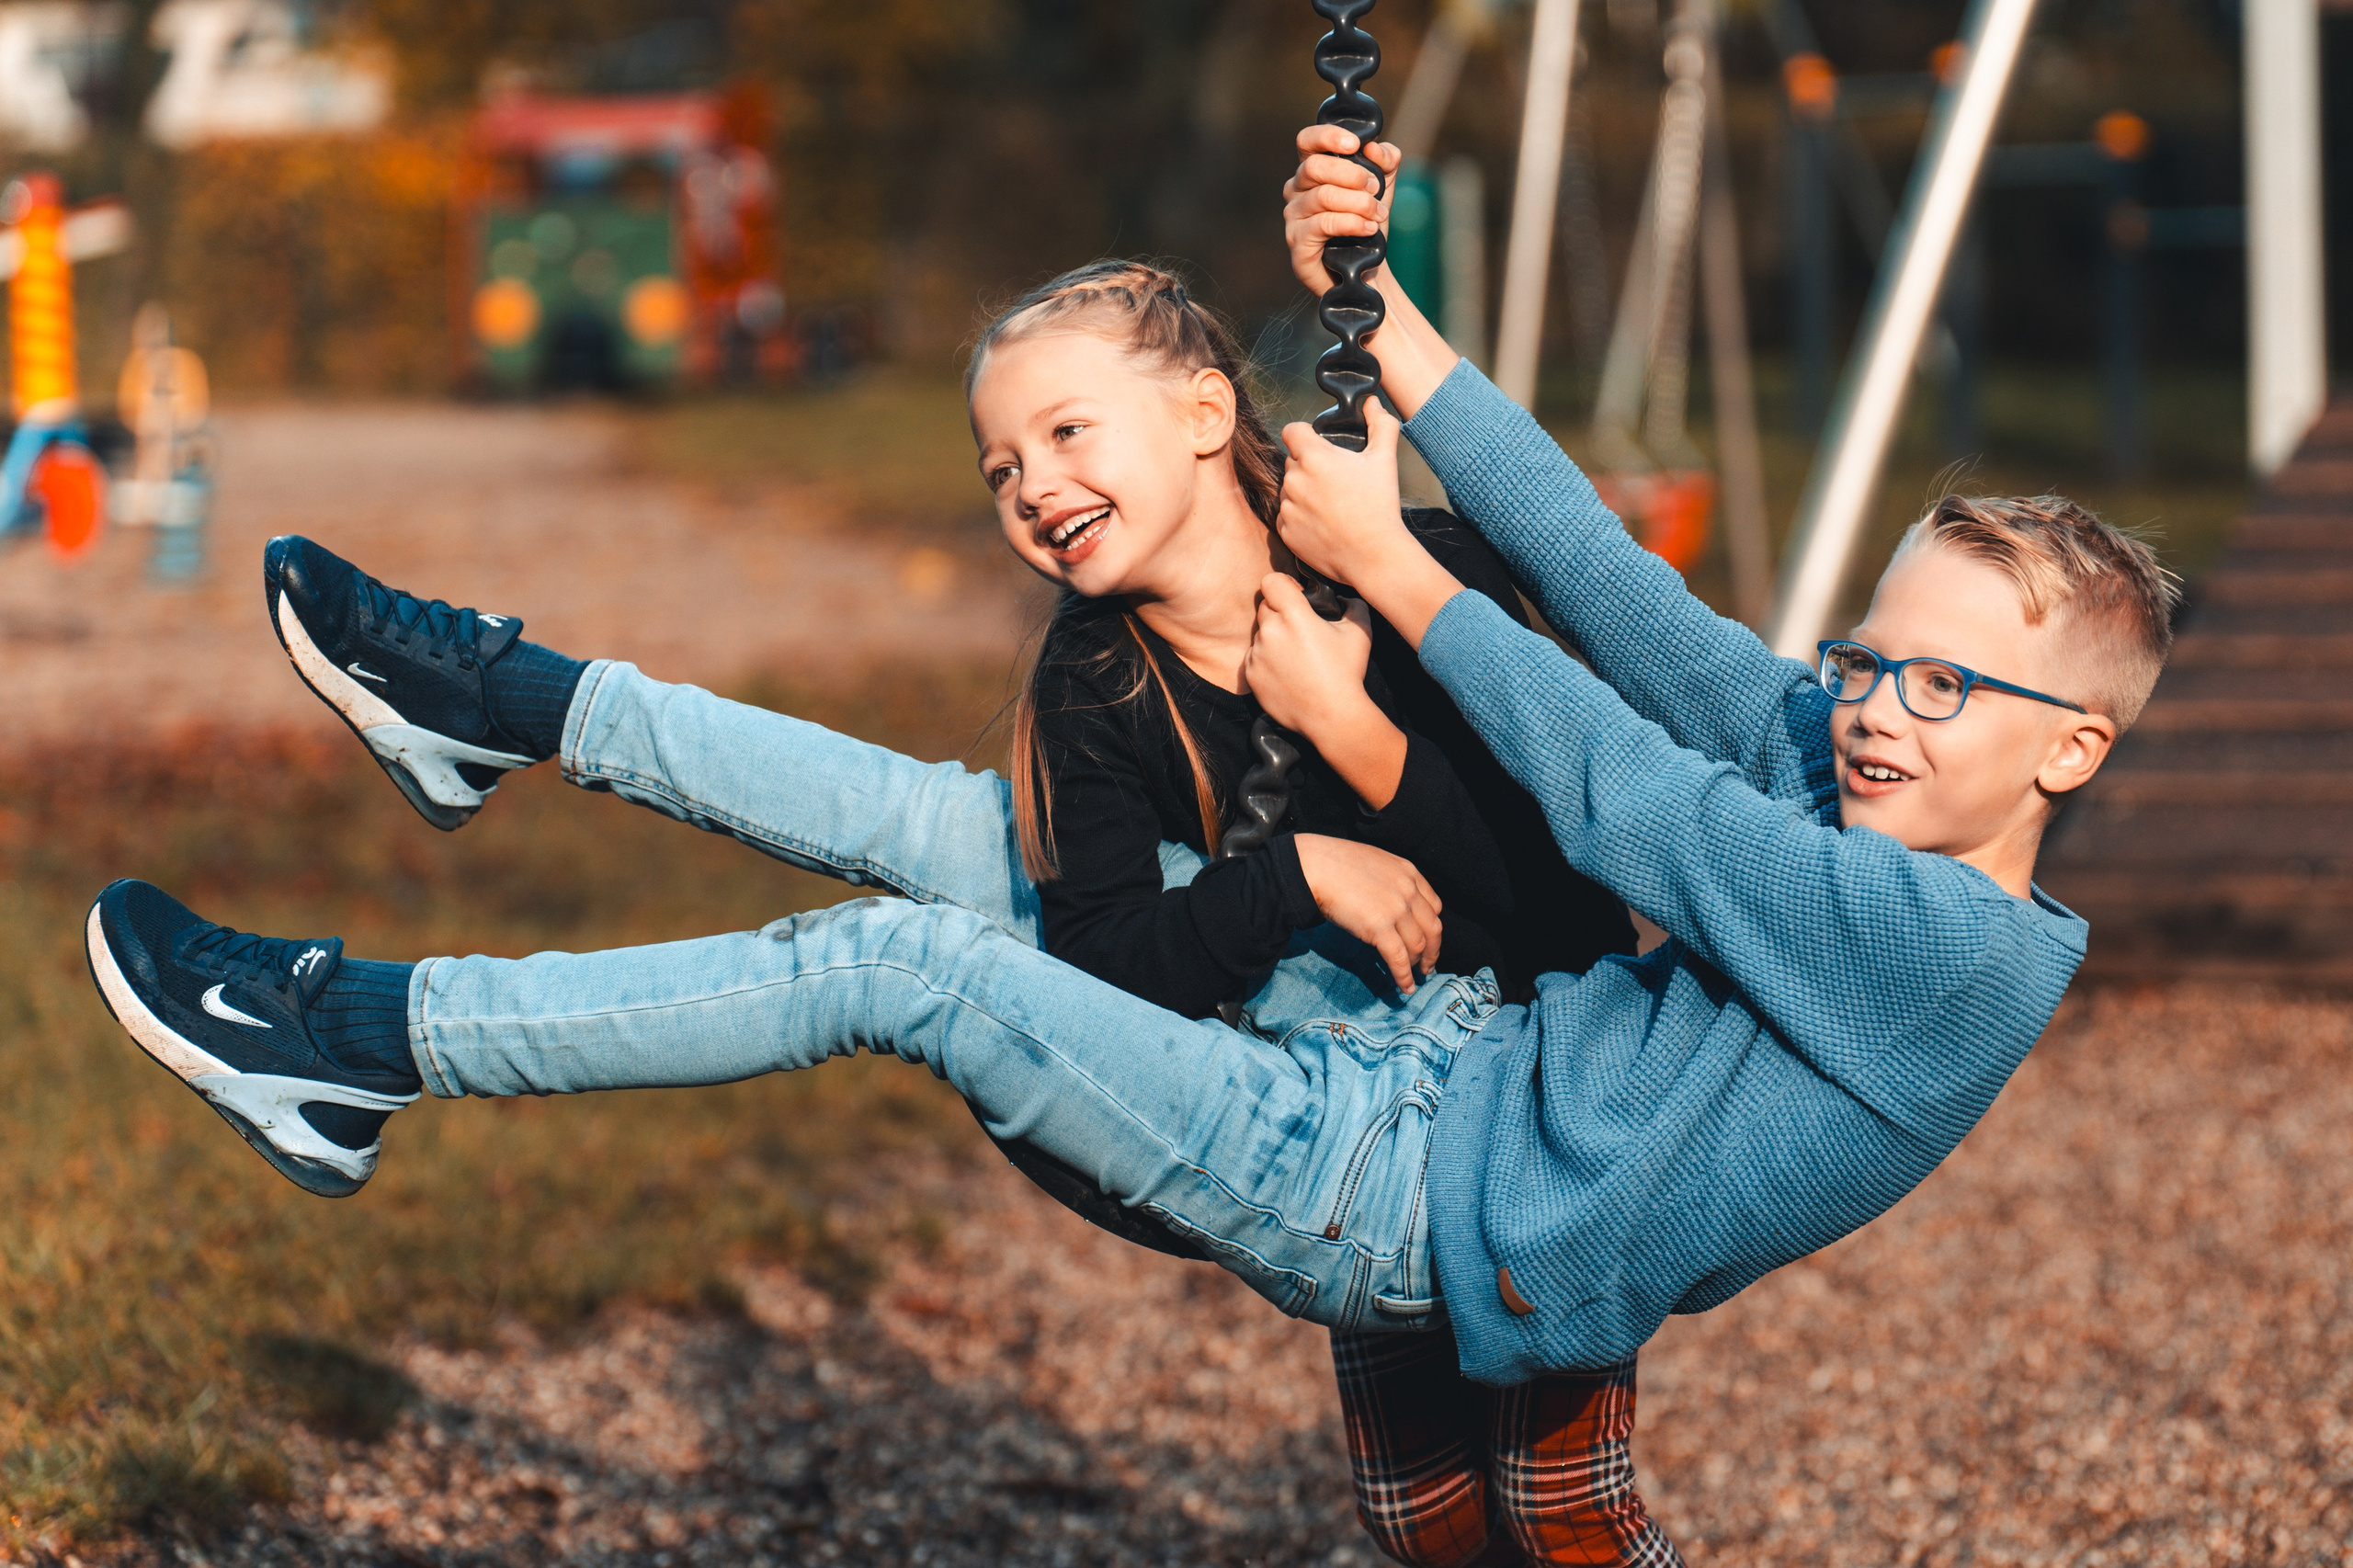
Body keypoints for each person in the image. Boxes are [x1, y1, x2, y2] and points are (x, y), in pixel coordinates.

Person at [86, 142, 2172, 1564]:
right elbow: (1616, 590)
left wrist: (1390, 600)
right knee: (935, 830)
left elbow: (1631, 804)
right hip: (1403, 1053)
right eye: (1864, 660)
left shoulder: (1939, 952)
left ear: (2067, 749)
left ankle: (360, 1035)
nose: (1869, 708)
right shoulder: (1859, 772)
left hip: (1404, 1190)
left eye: (1940, 691)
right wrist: (1391, 321)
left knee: (901, 961)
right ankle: (501, 699)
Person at [87, 256, 1671, 1563]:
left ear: (1206, 411)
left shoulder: (1409, 575)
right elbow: (1126, 964)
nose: (1033, 485)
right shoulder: (1094, 677)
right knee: (1437, 1519)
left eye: (1063, 432)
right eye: (1000, 466)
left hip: (1509, 1119)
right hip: (1299, 1063)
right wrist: (1297, 870)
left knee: (1517, 1514)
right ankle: (502, 722)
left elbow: (1578, 899)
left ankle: (461, 806)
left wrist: (1356, 731)